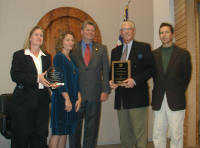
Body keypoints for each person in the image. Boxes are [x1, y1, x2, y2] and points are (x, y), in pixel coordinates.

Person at [109, 20, 154, 148]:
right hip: (121, 99)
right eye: (124, 29)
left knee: (140, 134)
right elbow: (110, 72)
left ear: (133, 31)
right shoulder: (115, 52)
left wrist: (134, 80)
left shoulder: (144, 47)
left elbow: (150, 69)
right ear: (120, 33)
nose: (127, 31)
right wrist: (111, 81)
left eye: (129, 29)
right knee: (124, 135)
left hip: (137, 97)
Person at [69, 20, 110, 148]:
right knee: (75, 128)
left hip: (95, 94)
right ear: (81, 32)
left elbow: (106, 71)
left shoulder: (102, 48)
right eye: (88, 30)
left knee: (92, 129)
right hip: (77, 94)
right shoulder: (72, 48)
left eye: (93, 30)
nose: (90, 32)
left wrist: (105, 90)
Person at [10, 26, 51, 148]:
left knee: (40, 136)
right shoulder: (19, 55)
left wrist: (53, 83)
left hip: (42, 102)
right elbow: (15, 75)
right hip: (23, 102)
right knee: (22, 136)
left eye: (41, 35)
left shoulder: (46, 57)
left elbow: (47, 77)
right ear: (30, 38)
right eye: (36, 34)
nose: (39, 37)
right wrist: (36, 78)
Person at [152, 22, 192, 148]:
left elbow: (186, 77)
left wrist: (178, 91)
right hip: (158, 99)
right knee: (158, 133)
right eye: (161, 32)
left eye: (167, 32)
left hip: (176, 99)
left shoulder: (183, 54)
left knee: (176, 133)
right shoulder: (153, 54)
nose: (164, 35)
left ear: (172, 34)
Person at [48, 31, 82, 148]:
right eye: (68, 39)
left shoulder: (71, 59)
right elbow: (59, 80)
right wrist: (66, 99)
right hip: (61, 99)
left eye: (72, 40)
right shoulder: (59, 57)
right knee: (58, 132)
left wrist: (79, 97)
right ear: (61, 42)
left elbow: (75, 80)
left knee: (65, 133)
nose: (71, 42)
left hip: (71, 100)